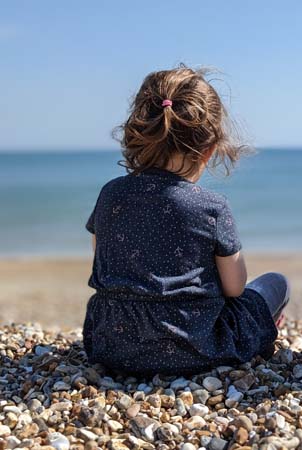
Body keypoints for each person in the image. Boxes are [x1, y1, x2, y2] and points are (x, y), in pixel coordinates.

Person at [83, 66, 289, 375]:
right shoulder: (211, 206)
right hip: (197, 349)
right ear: (209, 149)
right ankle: (262, 332)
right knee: (275, 283)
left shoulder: (110, 194)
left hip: (111, 345)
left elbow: (102, 259)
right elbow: (234, 288)